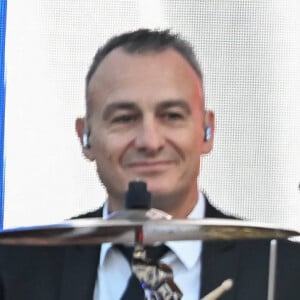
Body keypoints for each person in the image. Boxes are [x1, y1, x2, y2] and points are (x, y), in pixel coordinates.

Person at [0, 28, 299, 300]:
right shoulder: (14, 270)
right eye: (124, 118)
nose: (150, 141)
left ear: (207, 132)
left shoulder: (287, 272)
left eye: (171, 115)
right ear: (85, 137)